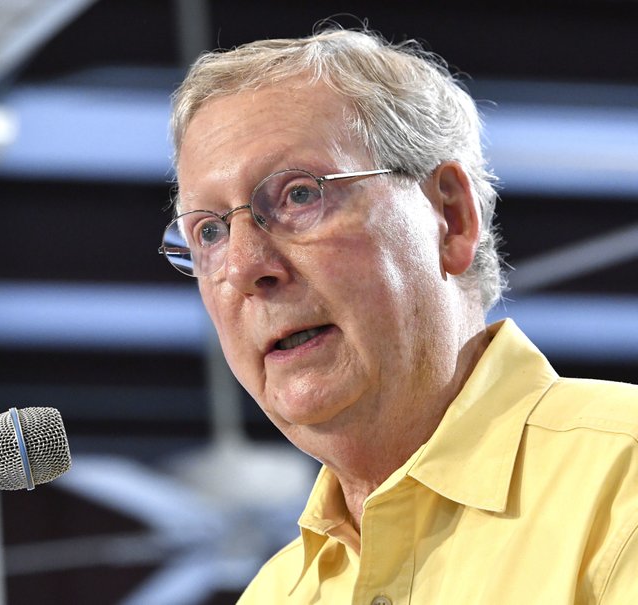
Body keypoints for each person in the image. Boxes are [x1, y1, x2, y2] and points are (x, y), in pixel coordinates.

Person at [157, 26, 638, 604]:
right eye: (208, 231)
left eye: (299, 195)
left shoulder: (622, 478)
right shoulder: (275, 594)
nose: (242, 267)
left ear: (450, 217)